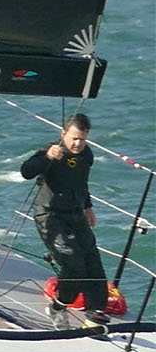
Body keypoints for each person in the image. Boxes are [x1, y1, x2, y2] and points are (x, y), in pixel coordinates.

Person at [21, 113, 110, 331]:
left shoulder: (86, 155)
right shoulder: (52, 151)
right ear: (63, 134)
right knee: (73, 262)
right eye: (74, 138)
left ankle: (96, 312)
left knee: (92, 260)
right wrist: (47, 157)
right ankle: (58, 307)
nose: (78, 143)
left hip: (75, 213)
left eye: (83, 139)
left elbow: (81, 183)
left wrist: (88, 207)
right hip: (50, 215)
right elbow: (26, 171)